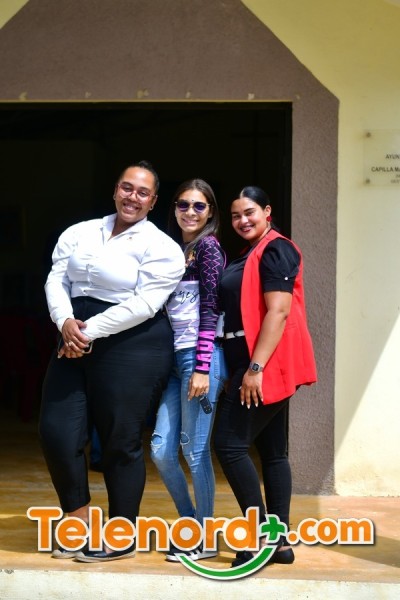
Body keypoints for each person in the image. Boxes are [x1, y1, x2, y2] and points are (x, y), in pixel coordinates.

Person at [39, 160, 185, 562]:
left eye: (143, 192)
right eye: (127, 187)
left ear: (153, 201)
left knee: (120, 441)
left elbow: (145, 304)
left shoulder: (162, 247)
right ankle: (79, 521)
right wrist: (64, 321)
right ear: (115, 189)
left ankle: (121, 536)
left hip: (132, 344)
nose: (132, 197)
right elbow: (57, 278)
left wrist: (85, 332)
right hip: (73, 333)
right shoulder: (80, 232)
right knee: (56, 431)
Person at [214, 185, 317, 567]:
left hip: (262, 364)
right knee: (273, 452)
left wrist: (254, 369)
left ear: (267, 212)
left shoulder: (276, 249)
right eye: (236, 215)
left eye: (250, 212)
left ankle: (259, 537)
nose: (242, 220)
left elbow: (279, 311)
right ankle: (279, 542)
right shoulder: (252, 251)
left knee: (229, 445)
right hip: (249, 360)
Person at [150, 179, 227, 561]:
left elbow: (211, 308)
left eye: (199, 206)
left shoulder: (208, 247)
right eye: (183, 204)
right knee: (161, 451)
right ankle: (191, 525)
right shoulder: (174, 251)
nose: (190, 212)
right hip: (174, 362)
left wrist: (201, 366)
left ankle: (205, 539)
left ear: (210, 211)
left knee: (194, 452)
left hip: (200, 358)